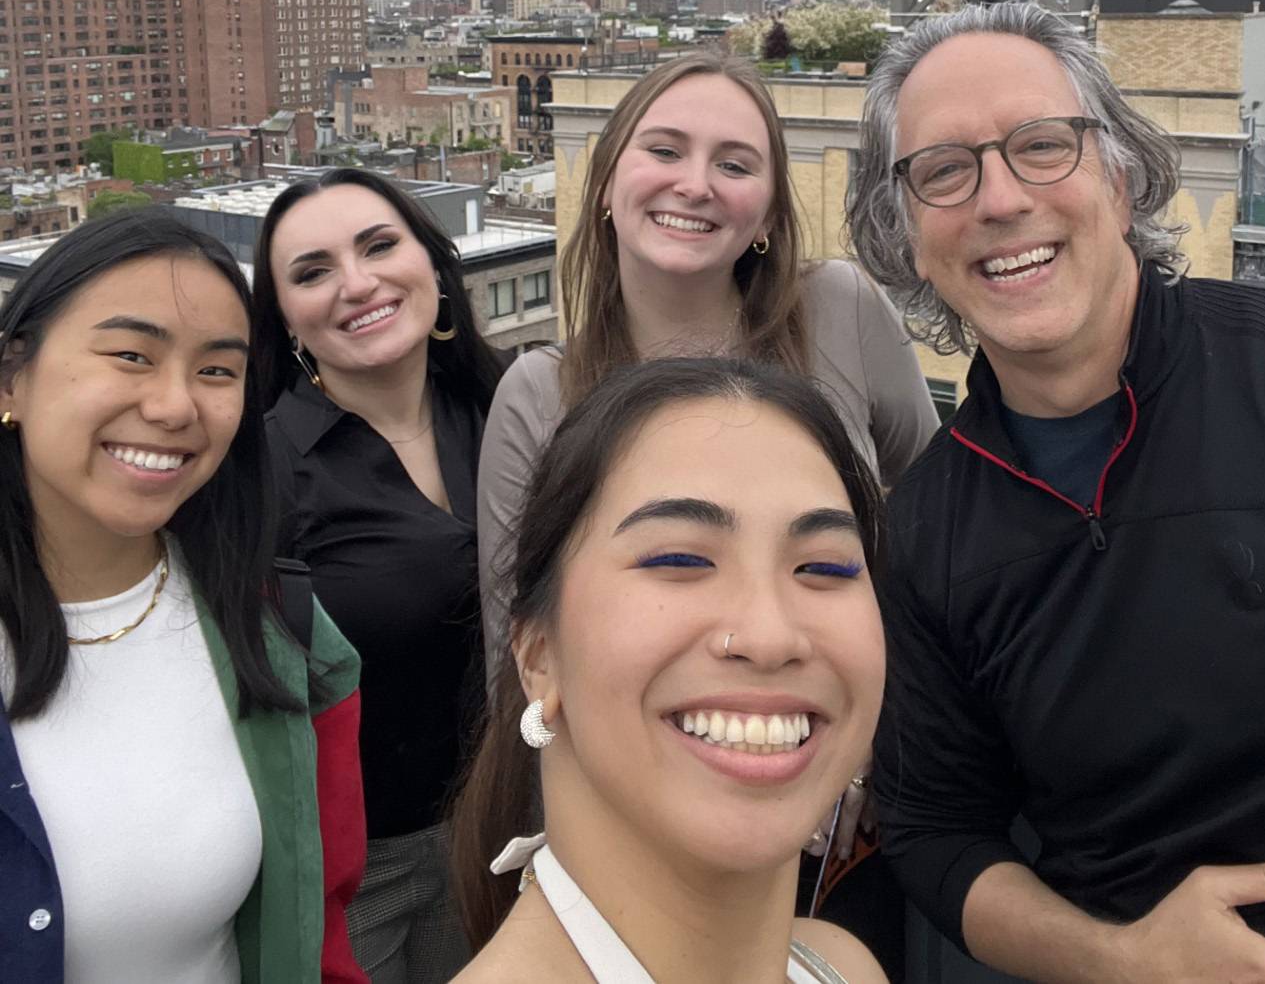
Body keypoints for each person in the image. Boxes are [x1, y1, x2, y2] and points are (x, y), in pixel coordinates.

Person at [847, 0, 1265, 982]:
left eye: (1043, 145)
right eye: (944, 170)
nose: (1001, 199)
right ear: (906, 239)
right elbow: (937, 830)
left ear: (1122, 169)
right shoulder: (926, 532)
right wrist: (1123, 958)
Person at [477, 49, 937, 678]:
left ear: (769, 214)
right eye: (664, 151)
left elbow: (937, 508)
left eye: (734, 164)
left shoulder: (841, 308)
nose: (695, 185)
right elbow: (518, 660)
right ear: (608, 181)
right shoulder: (539, 394)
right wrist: (547, 764)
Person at [0, 209, 367, 984]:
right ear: (12, 378)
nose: (175, 407)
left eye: (216, 370)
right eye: (132, 354)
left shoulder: (283, 632)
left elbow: (317, 926)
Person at [452, 355, 890, 984]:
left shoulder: (845, 967)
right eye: (681, 558)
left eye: (825, 567)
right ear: (538, 657)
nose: (768, 636)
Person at [253, 170, 499, 984]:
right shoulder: (262, 471)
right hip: (361, 873)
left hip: (514, 833)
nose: (357, 283)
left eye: (379, 245)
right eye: (312, 271)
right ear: (285, 319)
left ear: (433, 262)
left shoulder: (510, 408)